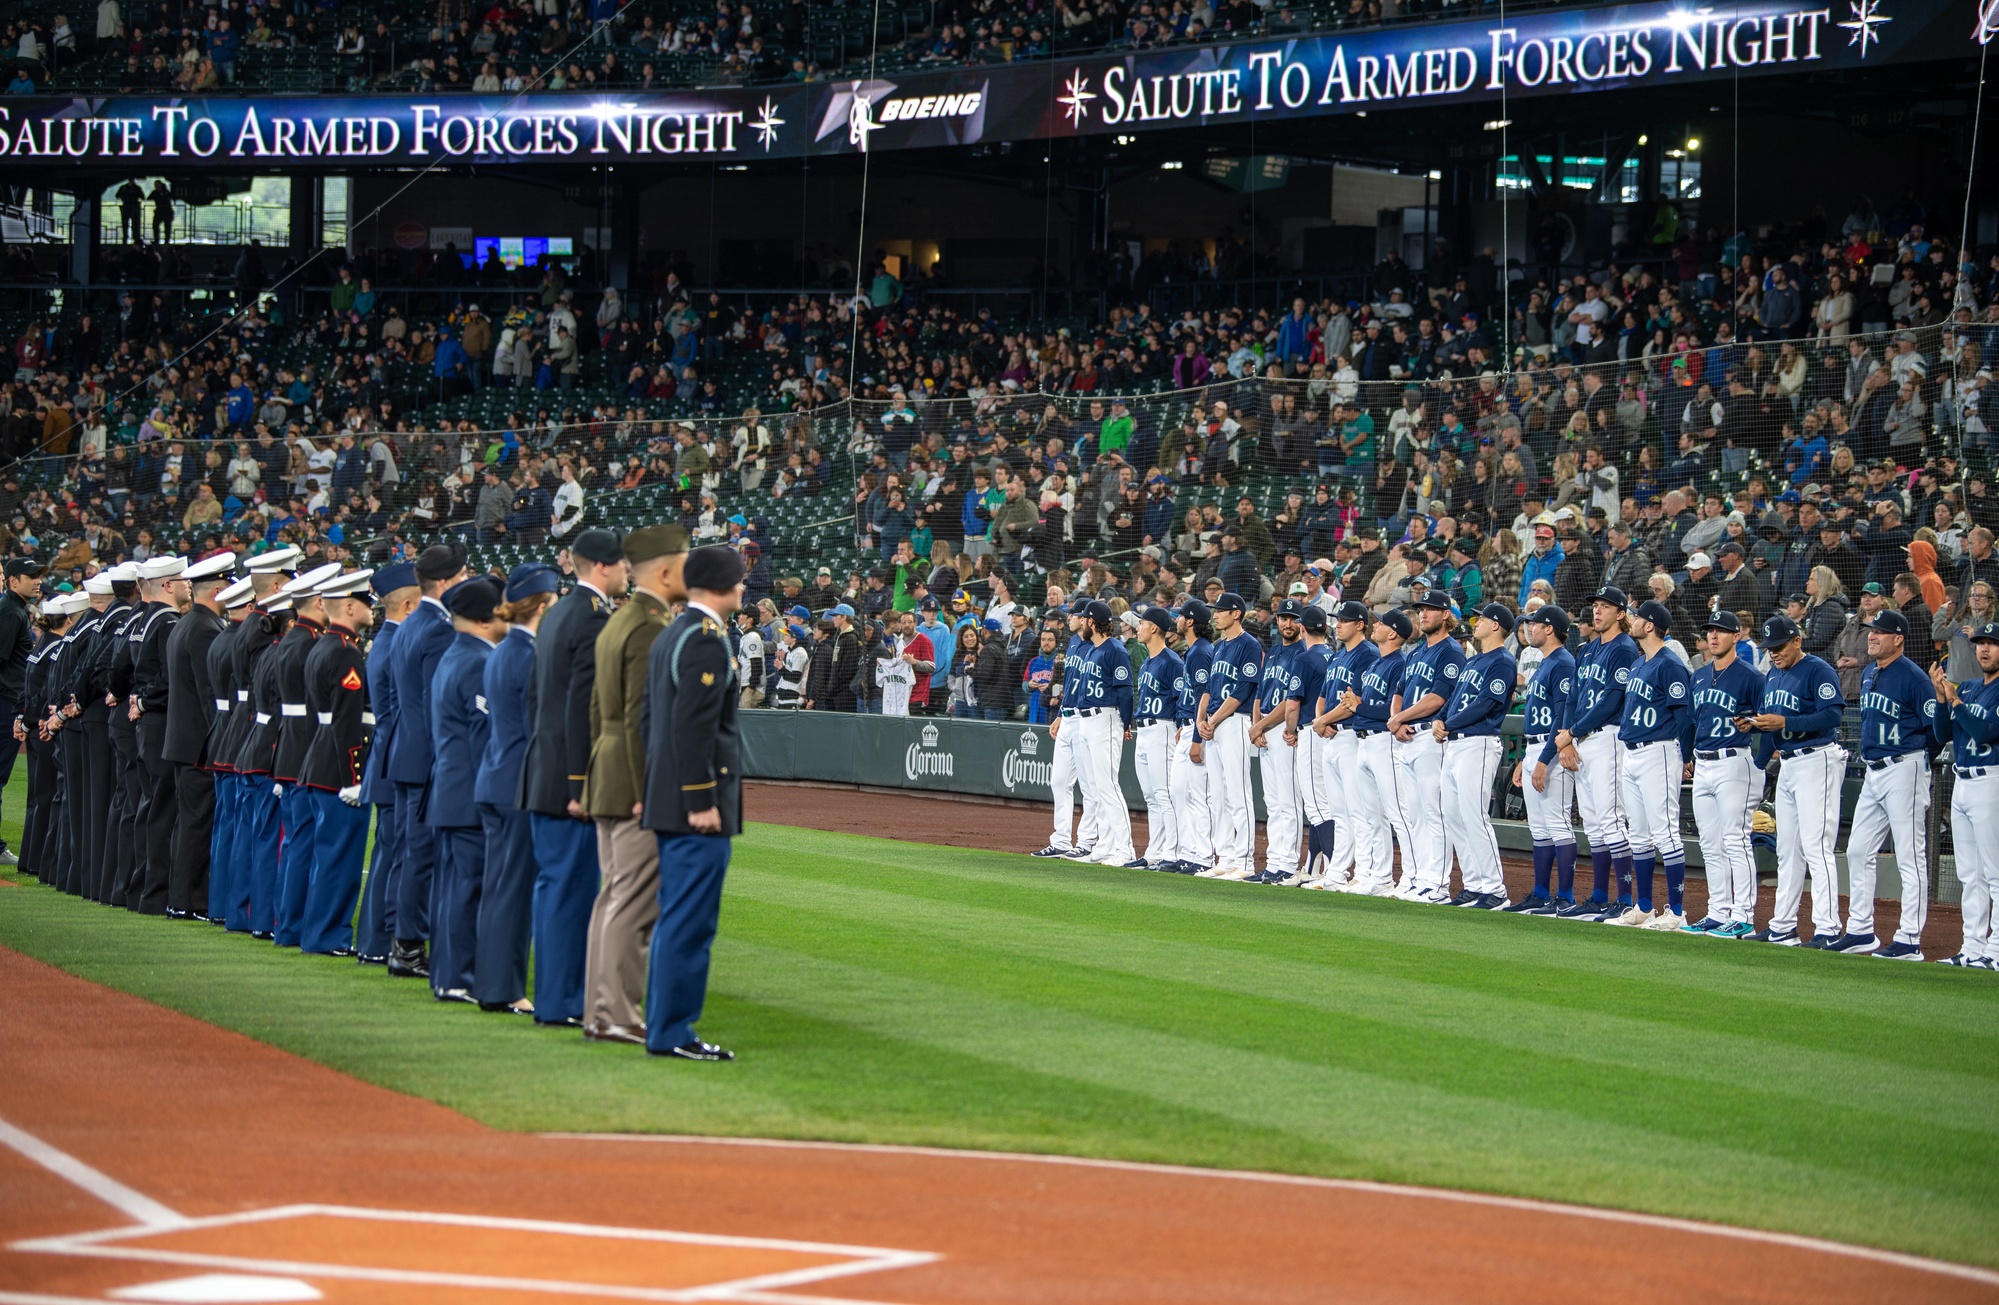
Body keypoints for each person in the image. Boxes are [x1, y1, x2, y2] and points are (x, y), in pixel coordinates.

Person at [640, 545, 748, 1061]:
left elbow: (649, 725)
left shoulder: (672, 633)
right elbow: (692, 727)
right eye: (739, 579)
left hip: (668, 798)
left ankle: (664, 1025)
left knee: (675, 918)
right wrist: (701, 799)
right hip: (694, 810)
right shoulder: (704, 640)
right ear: (722, 585)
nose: (744, 588)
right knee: (690, 922)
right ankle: (672, 1031)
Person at [582, 525, 688, 1045]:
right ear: (664, 571)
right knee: (633, 901)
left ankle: (601, 1010)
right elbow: (641, 717)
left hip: (607, 771)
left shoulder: (618, 618)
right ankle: (616, 1013)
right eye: (685, 560)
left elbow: (599, 711)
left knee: (613, 898)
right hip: (633, 781)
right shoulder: (649, 625)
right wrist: (649, 788)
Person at [523, 529, 625, 1027]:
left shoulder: (558, 612)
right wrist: (580, 785)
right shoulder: (589, 617)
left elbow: (537, 701)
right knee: (570, 892)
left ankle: (553, 997)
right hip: (569, 783)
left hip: (542, 772)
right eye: (623, 562)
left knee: (552, 890)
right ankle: (562, 1002)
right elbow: (580, 710)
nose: (627, 570)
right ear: (603, 567)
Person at [473, 564, 559, 1014]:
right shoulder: (527, 654)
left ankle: (494, 982)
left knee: (500, 886)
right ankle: (502, 988)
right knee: (512, 889)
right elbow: (536, 729)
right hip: (516, 784)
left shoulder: (504, 649)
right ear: (542, 605)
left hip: (495, 775)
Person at [1828, 608, 1938, 959]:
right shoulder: (1871, 673)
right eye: (1870, 631)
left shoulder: (1914, 678)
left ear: (1898, 638)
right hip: (1875, 771)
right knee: (1858, 850)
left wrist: (1916, 760)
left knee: (1910, 855)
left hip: (1904, 767)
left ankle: (1909, 938)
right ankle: (1860, 930)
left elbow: (1934, 730)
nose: (1871, 636)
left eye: (1879, 632)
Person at [386, 543, 469, 979]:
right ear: (444, 581)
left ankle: (405, 942)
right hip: (426, 758)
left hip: (405, 752)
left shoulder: (411, 622)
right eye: (461, 573)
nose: (465, 578)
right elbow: (436, 702)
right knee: (422, 854)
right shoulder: (438, 628)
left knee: (409, 852)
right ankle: (409, 947)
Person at [428, 574, 507, 1003]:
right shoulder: (478, 660)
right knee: (468, 887)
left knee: (453, 886)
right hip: (469, 792)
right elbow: (483, 737)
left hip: (448, 788)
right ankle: (459, 977)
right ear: (485, 617)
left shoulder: (453, 654)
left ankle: (446, 973)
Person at [1747, 614, 1848, 945]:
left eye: (1778, 647)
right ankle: (1782, 926)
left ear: (1796, 641)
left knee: (1816, 846)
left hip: (1817, 759)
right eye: (1769, 648)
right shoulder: (1774, 674)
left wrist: (1784, 720)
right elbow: (1773, 728)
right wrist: (1758, 768)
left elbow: (1833, 714)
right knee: (1787, 850)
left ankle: (1828, 929)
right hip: (1788, 764)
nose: (1773, 654)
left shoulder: (1818, 669)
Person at [296, 568, 376, 956]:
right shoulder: (345, 652)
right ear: (348, 606)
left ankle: (318, 933)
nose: (371, 608)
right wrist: (354, 776)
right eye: (365, 602)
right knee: (339, 861)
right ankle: (327, 936)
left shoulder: (322, 646)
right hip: (337, 769)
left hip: (319, 760)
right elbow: (347, 723)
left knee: (325, 857)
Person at [1679, 611, 1767, 939]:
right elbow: (1690, 721)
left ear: (1736, 636)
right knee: (1710, 844)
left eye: (1721, 631)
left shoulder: (1751, 676)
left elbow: (1769, 717)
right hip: (1703, 764)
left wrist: (1757, 757)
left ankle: (1742, 914)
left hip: (1734, 762)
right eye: (1710, 631)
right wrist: (1686, 757)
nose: (1713, 636)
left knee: (1735, 839)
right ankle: (1718, 912)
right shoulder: (1699, 676)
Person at [1555, 587, 1642, 920]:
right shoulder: (1588, 649)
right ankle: (1599, 895)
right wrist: (1566, 738)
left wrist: (1571, 733)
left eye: (1605, 606)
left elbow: (1612, 701)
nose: (1597, 611)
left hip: (1609, 738)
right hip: (1581, 741)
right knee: (1592, 823)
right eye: (1595, 606)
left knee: (1610, 819)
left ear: (1621, 614)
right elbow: (1573, 698)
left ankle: (1625, 898)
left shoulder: (1624, 649)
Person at [1608, 599, 1694, 930]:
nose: (1632, 620)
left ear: (1650, 625)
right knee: (1639, 836)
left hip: (1659, 750)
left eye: (1638, 617)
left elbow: (1684, 717)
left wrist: (1684, 756)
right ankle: (1644, 907)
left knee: (1666, 832)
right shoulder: (1640, 662)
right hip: (1632, 752)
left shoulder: (1669, 664)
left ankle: (1676, 911)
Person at [231, 548, 302, 936]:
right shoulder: (266, 634)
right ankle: (264, 919)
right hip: (266, 741)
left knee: (251, 835)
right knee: (267, 838)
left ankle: (247, 915)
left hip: (249, 739)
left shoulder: (254, 626)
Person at [270, 562, 340, 945]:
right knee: (303, 843)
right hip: (306, 745)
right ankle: (294, 925)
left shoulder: (290, 640)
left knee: (294, 841)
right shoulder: (311, 643)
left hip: (289, 743)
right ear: (318, 600)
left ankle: (288, 922)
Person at [160, 551, 233, 920]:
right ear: (218, 589)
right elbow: (210, 695)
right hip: (200, 746)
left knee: (188, 822)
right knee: (197, 825)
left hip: (183, 742)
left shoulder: (186, 624)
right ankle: (190, 901)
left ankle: (181, 898)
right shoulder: (205, 629)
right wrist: (222, 742)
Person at [353, 563, 419, 964]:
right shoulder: (395, 642)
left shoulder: (386, 640)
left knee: (387, 855)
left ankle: (372, 942)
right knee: (392, 856)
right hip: (394, 761)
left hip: (385, 759)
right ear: (408, 603)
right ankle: (377, 943)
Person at [1437, 603, 1518, 909]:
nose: (1477, 621)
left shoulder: (1503, 662)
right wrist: (1440, 718)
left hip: (1479, 742)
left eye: (1483, 617)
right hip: (1456, 744)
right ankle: (1473, 884)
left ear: (1496, 626)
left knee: (1474, 815)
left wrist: (1448, 722)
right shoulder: (1475, 661)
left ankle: (1495, 890)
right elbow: (1455, 699)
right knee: (1454, 816)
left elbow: (1485, 704)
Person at [1385, 591, 1462, 902]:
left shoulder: (1451, 651)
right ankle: (1420, 878)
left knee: (1434, 813)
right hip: (1407, 738)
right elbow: (1399, 691)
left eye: (1430, 610)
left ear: (1445, 615)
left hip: (1431, 737)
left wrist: (1399, 719)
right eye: (1421, 610)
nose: (1423, 615)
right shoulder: (1416, 652)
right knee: (1415, 813)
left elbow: (1438, 698)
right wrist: (1398, 720)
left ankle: (1438, 884)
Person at [1932, 625, 1999, 969]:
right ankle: (1972, 946)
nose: (1984, 649)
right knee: (1969, 874)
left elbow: (1986, 731)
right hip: (1962, 783)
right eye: (1980, 644)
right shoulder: (1970, 688)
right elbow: (1943, 734)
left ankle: (1997, 951)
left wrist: (1955, 701)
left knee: (1995, 871)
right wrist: (1943, 701)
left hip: (1991, 781)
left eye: (1991, 643)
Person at [129, 554, 191, 916]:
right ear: (167, 585)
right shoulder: (167, 622)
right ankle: (157, 894)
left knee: (149, 807)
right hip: (162, 721)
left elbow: (122, 669)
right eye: (182, 580)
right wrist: (147, 698)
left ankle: (145, 891)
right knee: (163, 811)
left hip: (145, 723)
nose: (188, 585)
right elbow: (171, 680)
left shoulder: (143, 620)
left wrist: (137, 698)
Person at [1507, 606, 1578, 914]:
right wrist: (1526, 757)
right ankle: (1540, 893)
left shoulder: (1562, 662)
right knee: (1539, 828)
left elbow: (1562, 717)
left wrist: (1545, 759)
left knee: (1558, 824)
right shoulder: (1546, 663)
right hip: (1536, 748)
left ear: (1550, 629)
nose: (1529, 628)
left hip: (1553, 750)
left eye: (1534, 624)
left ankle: (1564, 897)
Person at [1305, 600, 1377, 891]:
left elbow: (1353, 701)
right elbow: (1323, 695)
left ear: (1360, 624)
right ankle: (1336, 874)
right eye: (1337, 620)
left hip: (1350, 737)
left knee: (1358, 811)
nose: (1338, 624)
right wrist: (1321, 719)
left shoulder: (1367, 654)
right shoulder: (1337, 656)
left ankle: (1364, 873)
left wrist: (1323, 722)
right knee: (1338, 812)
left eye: (1344, 620)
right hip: (1331, 736)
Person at [1347, 608, 1412, 895]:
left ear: (1393, 633)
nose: (1375, 625)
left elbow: (1392, 710)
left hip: (1385, 741)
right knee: (1372, 816)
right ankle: (1381, 877)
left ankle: (1412, 876)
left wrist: (1358, 707)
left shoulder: (1399, 663)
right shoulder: (1376, 663)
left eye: (1381, 623)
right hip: (1363, 741)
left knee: (1398, 813)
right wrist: (1357, 706)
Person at [202, 577, 255, 927]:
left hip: (220, 734)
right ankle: (237, 910)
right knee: (240, 829)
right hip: (242, 734)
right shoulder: (245, 642)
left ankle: (219, 904)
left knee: (224, 829)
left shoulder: (221, 639)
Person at [1197, 593, 1261, 879]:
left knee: (1238, 792)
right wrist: (1201, 721)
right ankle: (1225, 856)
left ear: (1237, 613)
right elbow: (1209, 689)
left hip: (1235, 722)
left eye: (1221, 610)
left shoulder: (1249, 645)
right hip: (1214, 725)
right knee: (1217, 795)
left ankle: (1245, 861)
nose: (1216, 615)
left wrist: (1214, 719)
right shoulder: (1218, 646)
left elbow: (1243, 690)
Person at [1069, 599, 1136, 868]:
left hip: (1106, 718)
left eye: (1084, 619)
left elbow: (1127, 691)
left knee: (1108, 786)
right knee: (1097, 788)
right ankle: (1106, 845)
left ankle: (1125, 848)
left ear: (1092, 622)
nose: (1081, 623)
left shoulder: (1115, 650)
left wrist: (1125, 723)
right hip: (1087, 720)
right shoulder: (1092, 649)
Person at [1031, 603, 1099, 860]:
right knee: (1059, 781)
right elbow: (1069, 682)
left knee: (1089, 785)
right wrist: (1060, 714)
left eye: (1074, 614)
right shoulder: (1071, 642)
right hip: (1068, 717)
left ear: (1086, 619)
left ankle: (1087, 840)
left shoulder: (1098, 644)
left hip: (1087, 719)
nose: (1069, 618)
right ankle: (1060, 840)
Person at [1129, 606, 1184, 870]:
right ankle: (1154, 851)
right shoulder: (1150, 660)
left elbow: (1182, 699)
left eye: (1141, 623)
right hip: (1144, 730)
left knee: (1164, 794)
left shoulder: (1172, 661)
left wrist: (1181, 727)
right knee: (1151, 796)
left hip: (1163, 728)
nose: (1137, 627)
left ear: (1154, 628)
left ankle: (1172, 852)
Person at [1164, 601, 1215, 874]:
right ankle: (1188, 852)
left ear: (1191, 621)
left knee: (1197, 795)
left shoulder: (1201, 652)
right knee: (1179, 792)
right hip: (1187, 726)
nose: (1177, 621)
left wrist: (1196, 736)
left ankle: (1203, 856)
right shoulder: (1194, 650)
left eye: (1181, 617)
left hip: (1198, 732)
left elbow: (1204, 697)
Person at [1284, 605, 1334, 886]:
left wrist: (1290, 731)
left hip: (1311, 732)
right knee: (1322, 803)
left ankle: (1333, 869)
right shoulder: (1334, 655)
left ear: (1302, 628)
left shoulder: (1304, 658)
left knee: (1317, 805)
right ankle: (1314, 868)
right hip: (1331, 732)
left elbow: (1293, 705)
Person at [0, 558, 37, 865]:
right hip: (5, 703)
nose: (38, 580)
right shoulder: (11, 612)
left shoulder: (16, 610)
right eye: (32, 576)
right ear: (14, 581)